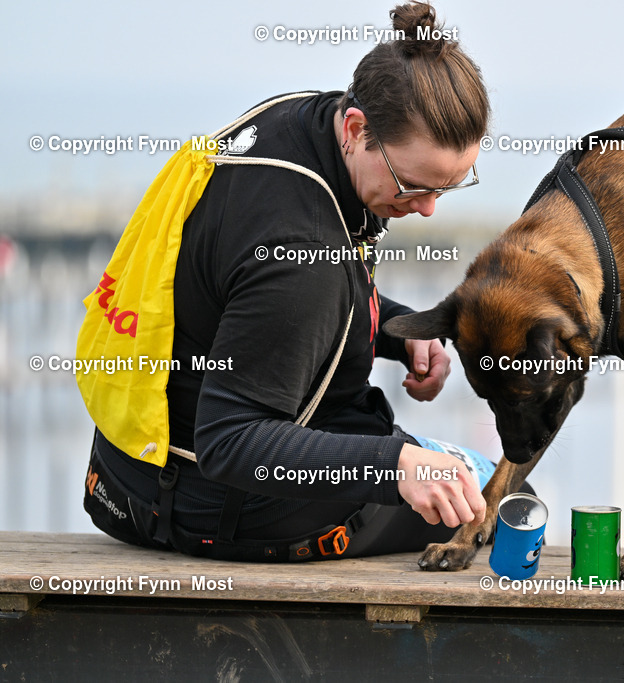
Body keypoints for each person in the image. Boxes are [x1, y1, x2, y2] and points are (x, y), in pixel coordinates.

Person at [83, 2, 497, 561]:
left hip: (126, 475)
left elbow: (256, 305)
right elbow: (229, 441)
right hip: (221, 505)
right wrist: (397, 466)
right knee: (497, 498)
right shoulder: (302, 254)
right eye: (413, 185)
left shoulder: (301, 123)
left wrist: (396, 330)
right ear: (356, 129)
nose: (427, 209)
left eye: (448, 187)